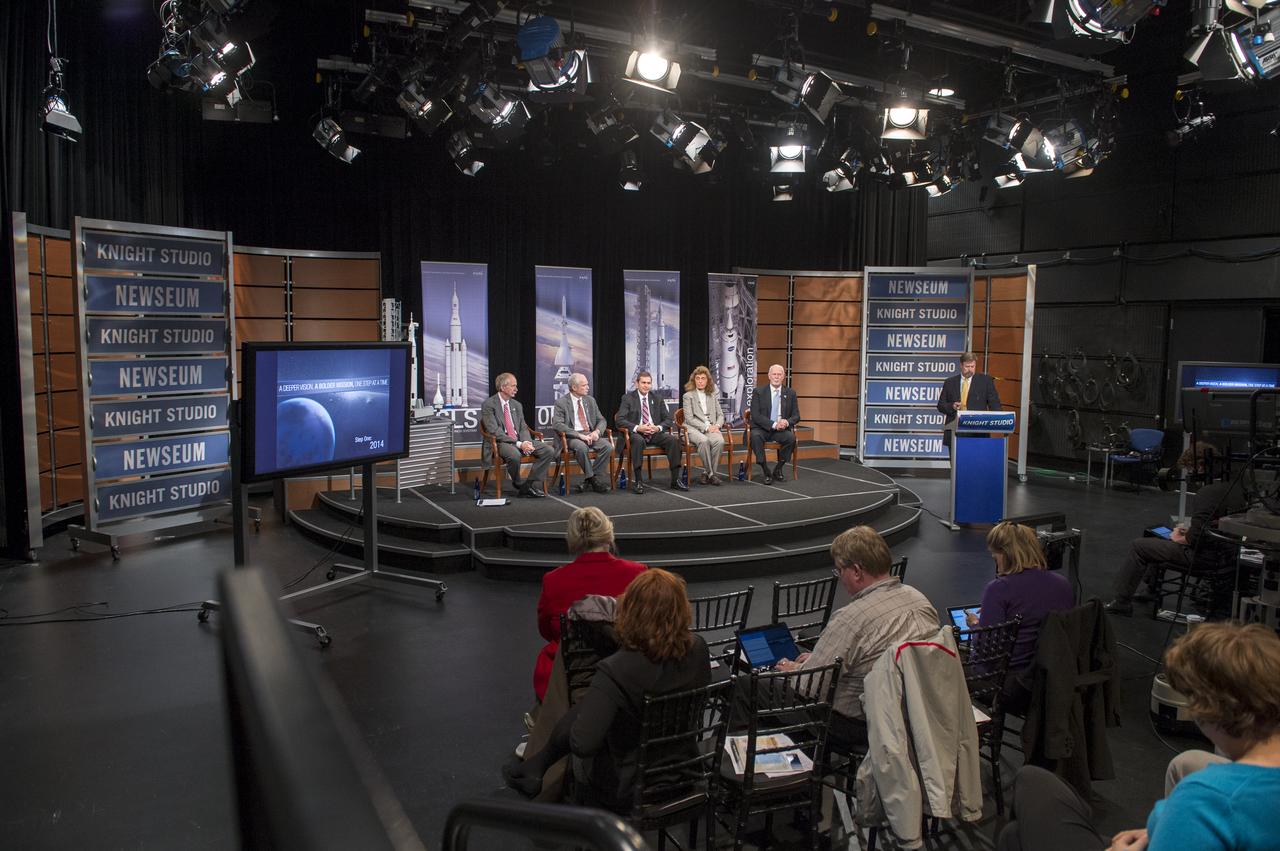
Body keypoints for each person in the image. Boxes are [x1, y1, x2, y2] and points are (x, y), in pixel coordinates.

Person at [996, 622, 1280, 851]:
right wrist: (1158, 830)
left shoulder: (1210, 799)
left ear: (1211, 710)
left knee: (1031, 782)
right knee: (1016, 832)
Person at [504, 568, 712, 813]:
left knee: (591, 713)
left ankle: (539, 769)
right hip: (686, 771)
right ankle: (536, 766)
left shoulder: (617, 668)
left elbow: (583, 744)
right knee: (595, 704)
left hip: (630, 787)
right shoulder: (698, 648)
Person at [775, 526, 938, 749]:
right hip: (913, 711)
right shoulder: (920, 601)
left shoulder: (852, 617)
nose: (840, 578)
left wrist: (793, 669)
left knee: (751, 689)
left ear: (857, 571)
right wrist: (816, 659)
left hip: (858, 723)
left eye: (840, 571)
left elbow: (810, 687)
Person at [1104, 443, 1246, 616]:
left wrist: (1178, 537)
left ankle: (1122, 601)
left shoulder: (1207, 493)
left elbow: (1195, 540)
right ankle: (1151, 589)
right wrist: (1191, 529)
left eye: (1191, 468)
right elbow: (1213, 524)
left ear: (1200, 466)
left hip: (1202, 558)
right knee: (1153, 532)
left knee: (1139, 546)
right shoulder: (1234, 488)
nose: (1191, 474)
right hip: (1226, 555)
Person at [530, 507, 646, 704]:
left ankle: (545, 725)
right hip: (626, 671)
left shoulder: (554, 580)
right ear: (609, 535)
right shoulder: (637, 573)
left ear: (573, 540)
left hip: (569, 674)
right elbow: (645, 623)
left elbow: (546, 631)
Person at [969, 521, 1075, 713]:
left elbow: (987, 650)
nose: (993, 557)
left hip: (1012, 686)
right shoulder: (1064, 585)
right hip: (1052, 681)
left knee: (944, 664)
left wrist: (976, 626)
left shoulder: (999, 589)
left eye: (996, 552)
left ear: (1007, 553)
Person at [480, 372, 557, 498]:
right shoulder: (489, 404)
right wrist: (519, 444)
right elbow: (494, 431)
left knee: (548, 450)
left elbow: (523, 428)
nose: (516, 389)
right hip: (500, 442)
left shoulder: (517, 405)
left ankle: (528, 485)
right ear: (503, 387)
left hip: (520, 440)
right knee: (514, 454)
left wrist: (526, 442)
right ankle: (518, 483)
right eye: (513, 386)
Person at [615, 370, 685, 494]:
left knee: (673, 441)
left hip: (654, 433)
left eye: (649, 383)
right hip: (636, 434)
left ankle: (675, 480)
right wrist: (638, 427)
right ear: (637, 384)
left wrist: (658, 427)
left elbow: (668, 419)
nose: (646, 385)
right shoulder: (627, 398)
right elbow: (620, 420)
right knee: (638, 440)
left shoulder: (657, 398)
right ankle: (638, 481)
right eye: (643, 383)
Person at [552, 373, 613, 494]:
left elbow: (601, 420)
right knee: (581, 447)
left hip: (589, 434)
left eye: (587, 385)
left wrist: (597, 431)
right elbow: (558, 424)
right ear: (574, 387)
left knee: (607, 446)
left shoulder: (590, 400)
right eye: (584, 385)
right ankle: (594, 481)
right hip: (572, 436)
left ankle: (590, 479)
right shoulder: (561, 402)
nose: (588, 387)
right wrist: (579, 435)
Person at [748, 363, 801, 484]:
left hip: (780, 430)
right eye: (774, 374)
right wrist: (773, 424)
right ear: (769, 376)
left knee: (791, 438)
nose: (776, 377)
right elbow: (755, 415)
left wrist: (787, 422)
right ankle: (766, 470)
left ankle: (778, 468)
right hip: (762, 428)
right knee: (755, 437)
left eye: (779, 374)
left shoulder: (791, 393)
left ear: (783, 377)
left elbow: (796, 416)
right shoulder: (759, 392)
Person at [937, 353, 1001, 444]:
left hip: (978, 433)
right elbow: (941, 405)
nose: (970, 369)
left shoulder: (985, 381)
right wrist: (952, 406)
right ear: (961, 365)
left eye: (972, 366)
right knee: (956, 458)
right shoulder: (950, 382)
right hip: (955, 431)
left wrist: (998, 421)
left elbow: (995, 404)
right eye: (967, 366)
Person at [681, 365, 726, 486]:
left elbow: (721, 415)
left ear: (708, 381)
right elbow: (689, 419)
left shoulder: (712, 395)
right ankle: (712, 475)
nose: (700, 381)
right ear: (694, 380)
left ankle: (706, 473)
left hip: (711, 427)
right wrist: (706, 427)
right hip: (692, 428)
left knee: (719, 441)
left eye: (703, 378)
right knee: (704, 441)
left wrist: (717, 425)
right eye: (698, 378)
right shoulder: (688, 396)